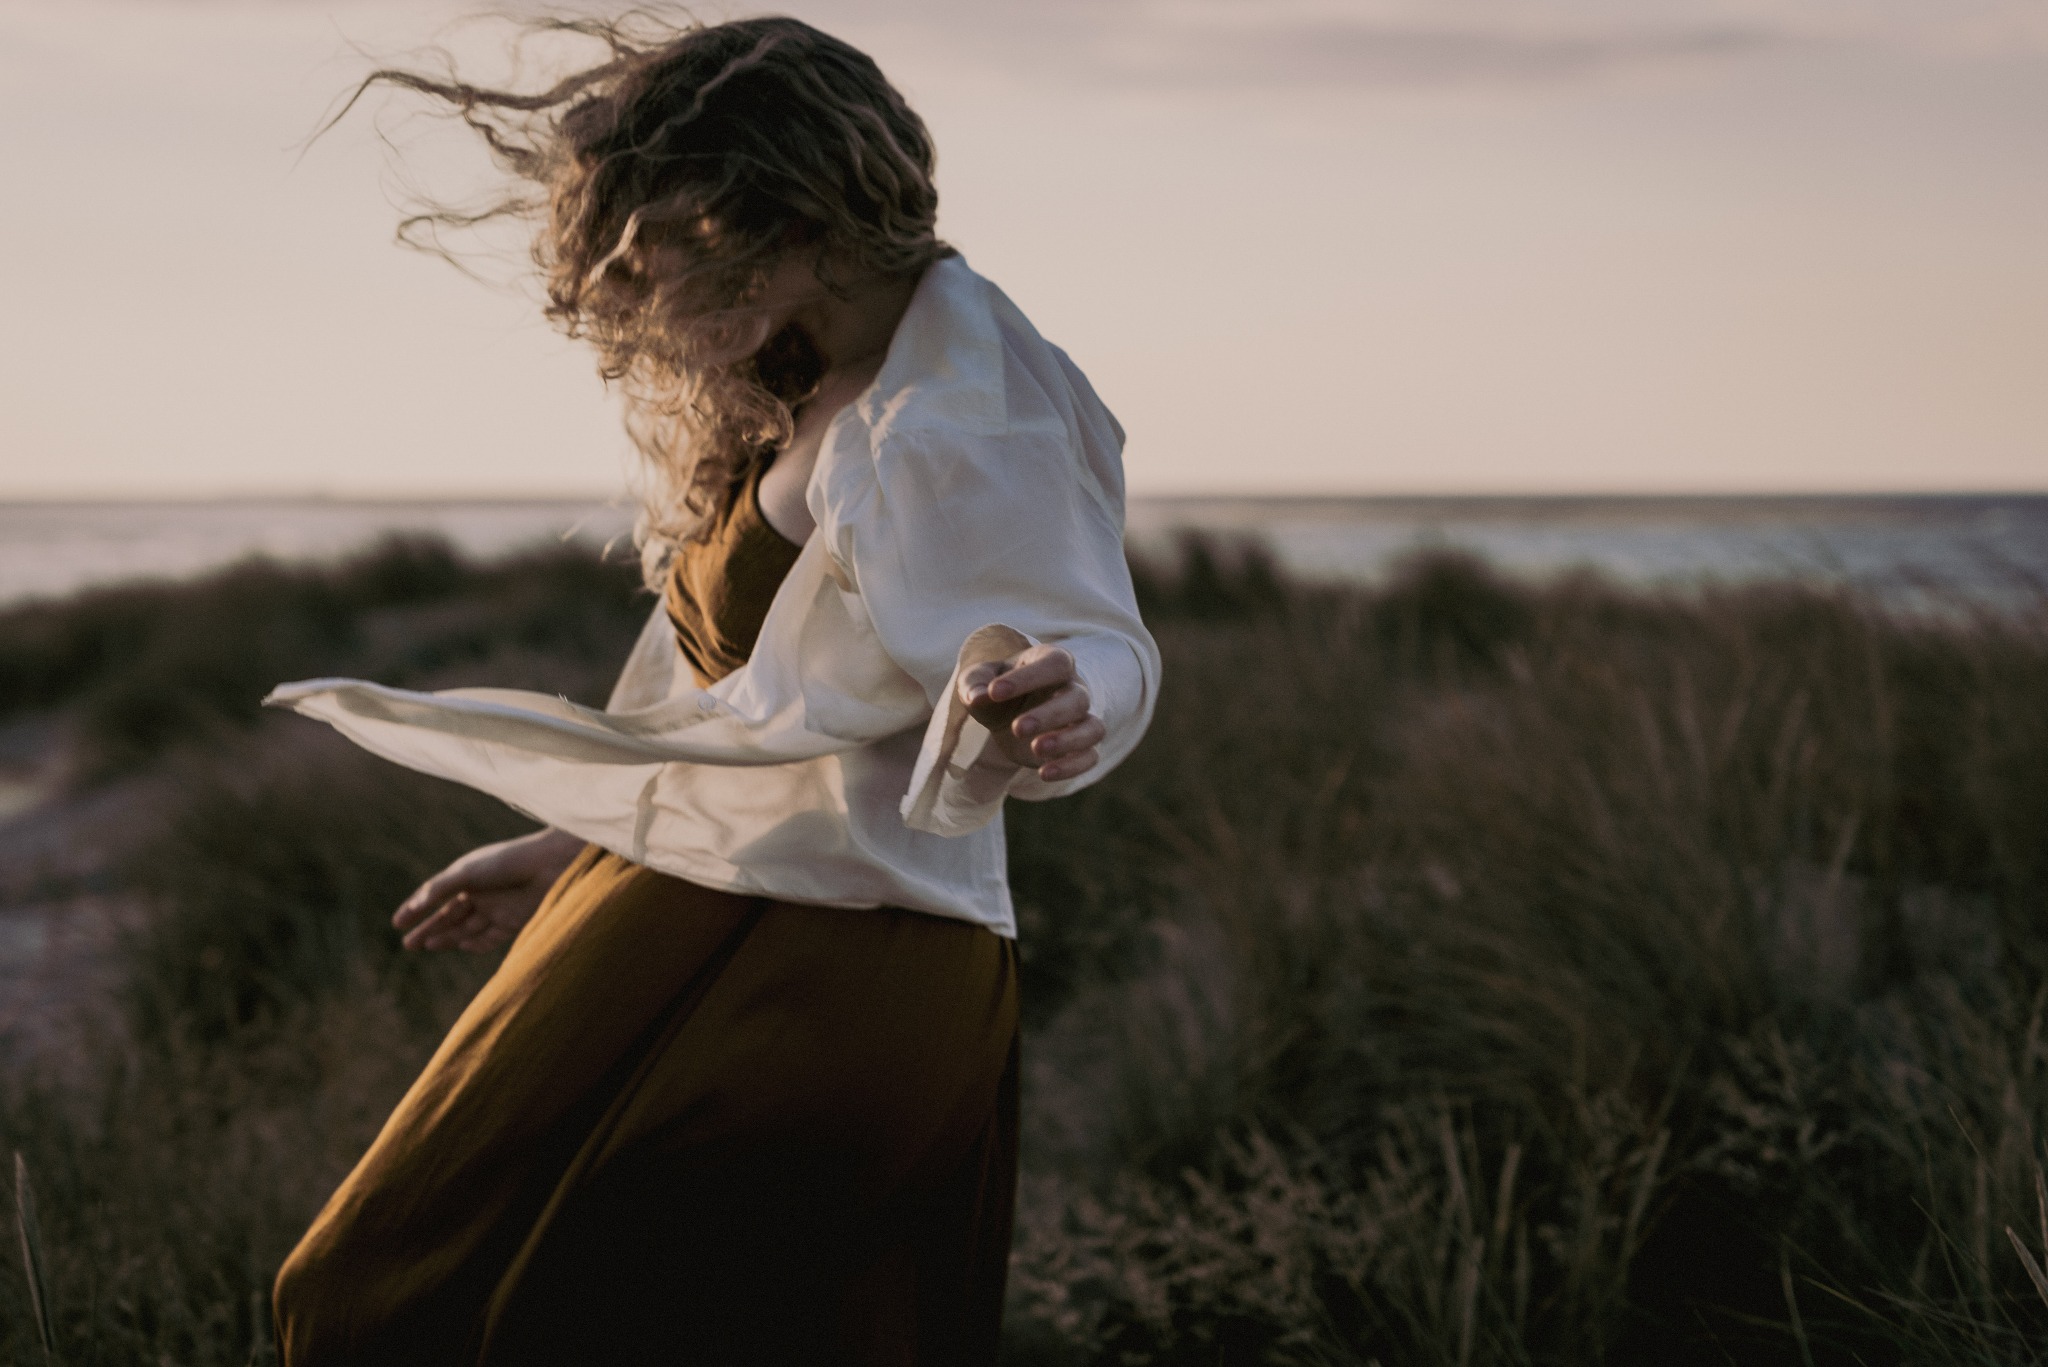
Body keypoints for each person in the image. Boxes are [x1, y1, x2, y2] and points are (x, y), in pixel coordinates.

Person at [264, 13, 1159, 1367]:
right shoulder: (827, 378)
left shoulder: (959, 408)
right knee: (393, 1296)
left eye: (656, 236)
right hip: (687, 905)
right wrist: (570, 843)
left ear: (790, 209)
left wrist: (1071, 690)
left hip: (827, 960)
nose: (627, 281)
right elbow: (738, 704)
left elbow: (1087, 626)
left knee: (434, 1306)